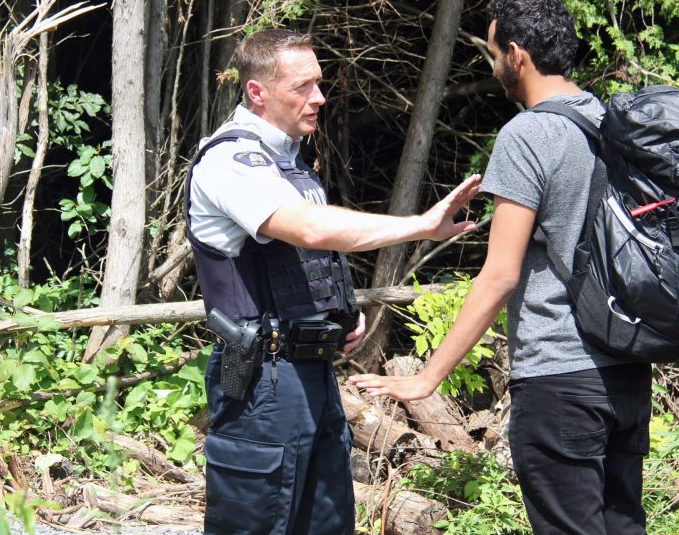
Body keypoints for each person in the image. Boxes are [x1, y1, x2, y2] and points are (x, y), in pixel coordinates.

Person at [349, 0, 652, 535]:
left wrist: (427, 378)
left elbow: (500, 275)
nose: (493, 69)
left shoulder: (529, 134)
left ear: (518, 55)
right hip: (626, 374)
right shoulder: (609, 122)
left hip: (560, 379)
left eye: (492, 54)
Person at [185, 27, 481, 535]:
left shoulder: (289, 164)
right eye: (302, 86)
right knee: (258, 522)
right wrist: (422, 225)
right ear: (257, 92)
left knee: (326, 523)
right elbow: (312, 229)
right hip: (262, 381)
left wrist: (338, 311)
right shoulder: (231, 160)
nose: (319, 97)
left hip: (311, 374)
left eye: (319, 83)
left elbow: (304, 258)